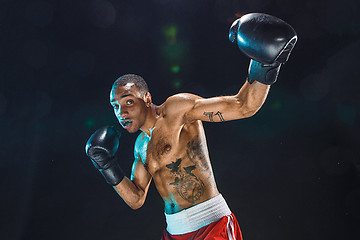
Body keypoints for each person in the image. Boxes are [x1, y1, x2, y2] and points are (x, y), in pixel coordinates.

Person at [85, 13, 297, 240]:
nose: (122, 112)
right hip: (174, 233)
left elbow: (244, 106)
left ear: (146, 98)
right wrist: (106, 166)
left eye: (128, 102)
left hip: (211, 225)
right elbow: (136, 199)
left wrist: (264, 63)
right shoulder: (140, 146)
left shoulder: (176, 109)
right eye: (115, 106)